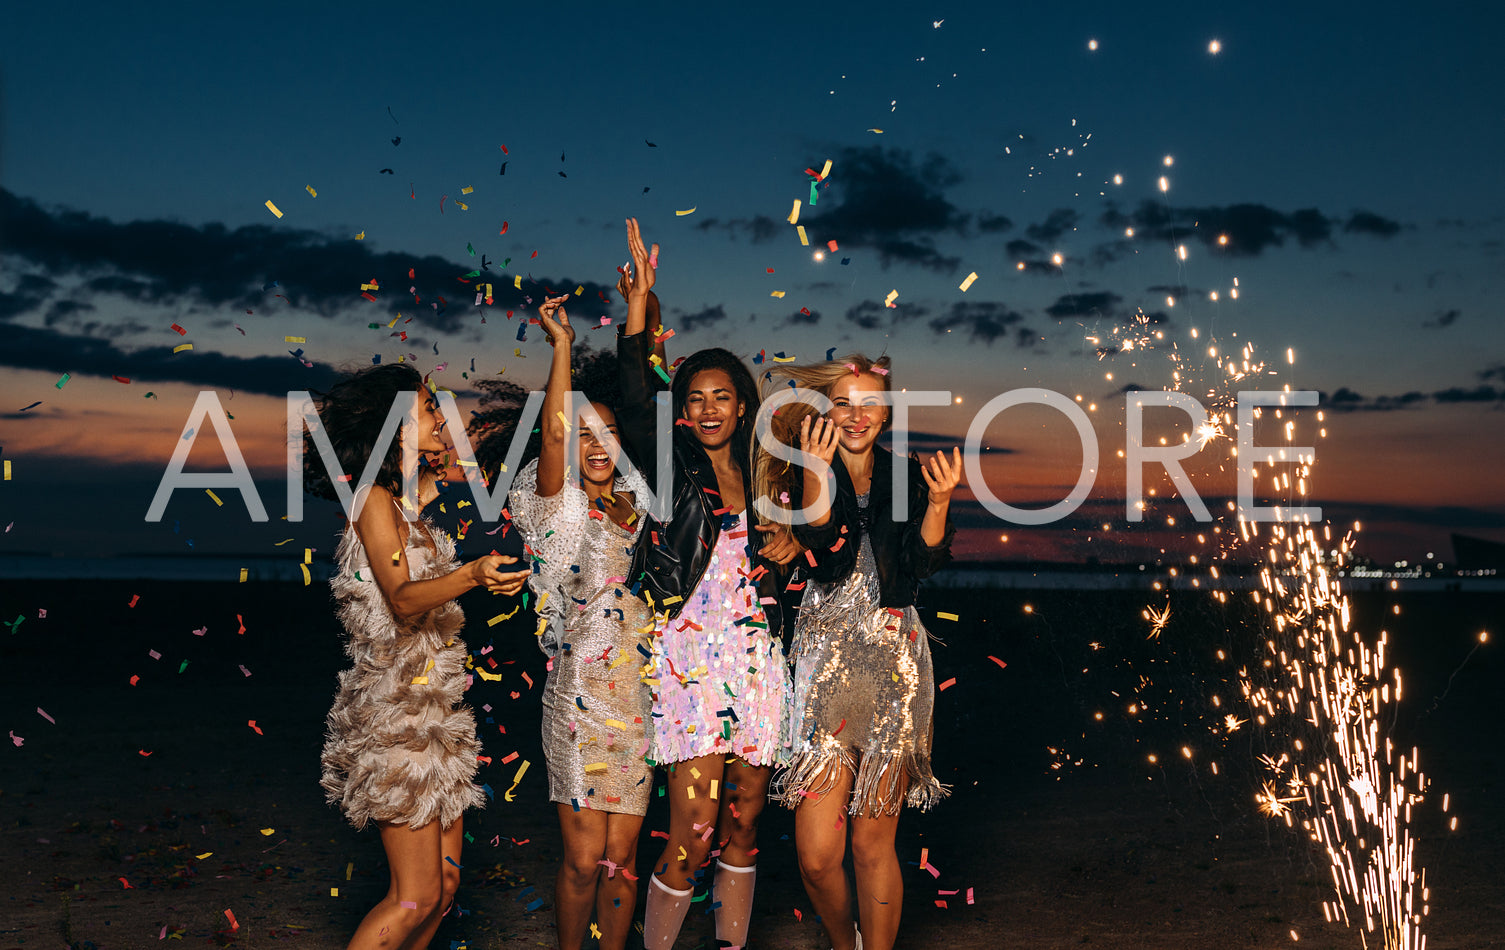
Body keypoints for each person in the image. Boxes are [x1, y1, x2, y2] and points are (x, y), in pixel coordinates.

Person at [614, 218, 802, 950]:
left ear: (743, 404)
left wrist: (793, 547)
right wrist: (641, 307)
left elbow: (800, 556)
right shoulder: (672, 466)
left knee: (745, 822)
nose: (706, 410)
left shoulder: (767, 474)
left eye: (720, 397)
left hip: (758, 659)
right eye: (693, 400)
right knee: (691, 831)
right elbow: (635, 398)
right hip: (692, 658)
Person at [310, 363, 531, 949]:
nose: (441, 415)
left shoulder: (411, 504)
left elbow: (457, 501)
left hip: (439, 710)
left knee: (442, 890)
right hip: (396, 714)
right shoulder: (373, 500)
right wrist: (472, 574)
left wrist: (488, 574)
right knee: (411, 896)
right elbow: (405, 601)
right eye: (429, 408)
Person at [757, 354, 961, 950]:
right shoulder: (803, 476)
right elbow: (827, 553)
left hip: (896, 663)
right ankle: (842, 942)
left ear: (887, 412)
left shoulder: (907, 476)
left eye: (868, 402)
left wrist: (941, 501)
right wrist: (819, 473)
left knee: (874, 844)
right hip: (825, 666)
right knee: (818, 857)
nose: (855, 415)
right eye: (842, 402)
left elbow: (922, 565)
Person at [502, 292, 657, 950]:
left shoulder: (645, 505)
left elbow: (655, 402)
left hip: (641, 699)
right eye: (584, 434)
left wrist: (643, 312)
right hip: (578, 702)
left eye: (608, 433)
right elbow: (556, 432)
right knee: (580, 859)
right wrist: (562, 347)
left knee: (624, 857)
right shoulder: (551, 502)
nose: (596, 444)